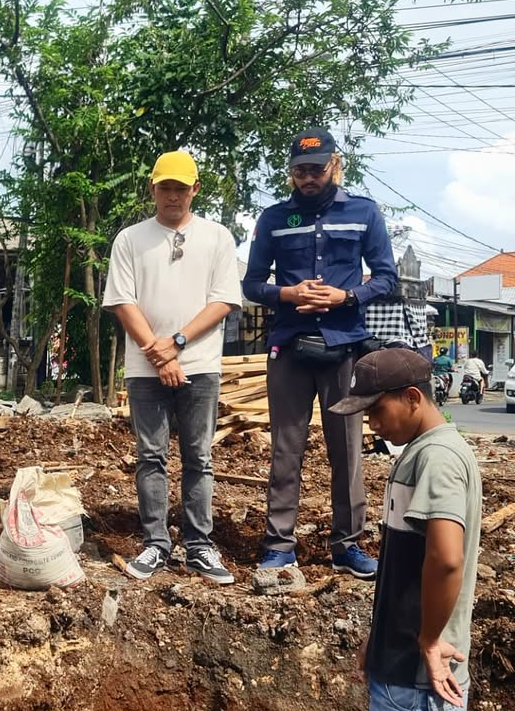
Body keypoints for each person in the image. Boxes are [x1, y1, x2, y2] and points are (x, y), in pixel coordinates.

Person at [328, 349, 480, 711]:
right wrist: (380, 633)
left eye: (376, 410)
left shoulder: (436, 459)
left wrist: (429, 641)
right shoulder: (424, 453)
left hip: (415, 677)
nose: (371, 423)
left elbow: (446, 559)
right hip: (403, 659)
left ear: (413, 398)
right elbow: (408, 564)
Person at [242, 128, 398, 580]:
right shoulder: (274, 218)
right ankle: (278, 546)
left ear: (334, 165)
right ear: (291, 173)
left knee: (346, 452)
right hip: (289, 346)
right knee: (285, 449)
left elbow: (386, 277)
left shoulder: (363, 212)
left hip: (343, 347)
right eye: (300, 171)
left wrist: (345, 297)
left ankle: (347, 546)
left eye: (316, 169)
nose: (308, 178)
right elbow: (252, 284)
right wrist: (288, 293)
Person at [103, 150, 242, 584]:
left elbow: (222, 301)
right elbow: (122, 302)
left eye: (181, 188)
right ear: (153, 189)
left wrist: (176, 343)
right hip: (145, 368)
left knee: (199, 457)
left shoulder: (217, 238)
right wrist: (157, 353)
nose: (173, 196)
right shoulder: (130, 240)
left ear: (195, 190)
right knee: (151, 456)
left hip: (199, 364)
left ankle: (199, 545)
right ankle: (156, 544)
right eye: (165, 187)